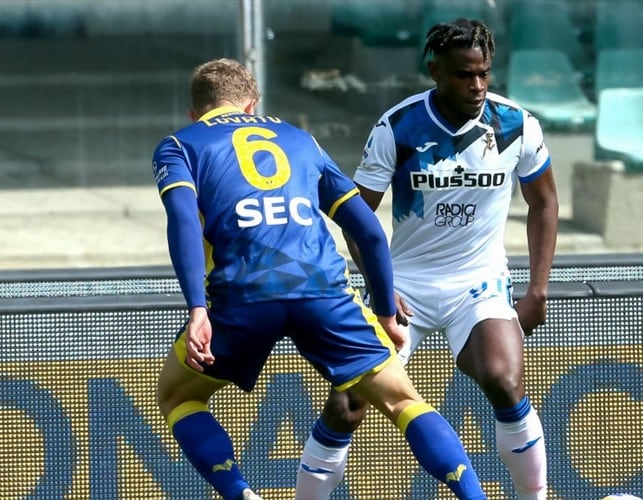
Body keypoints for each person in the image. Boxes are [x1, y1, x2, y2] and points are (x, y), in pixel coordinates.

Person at [152, 58, 487, 500]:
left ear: (195, 113)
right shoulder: (300, 140)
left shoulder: (180, 145)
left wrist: (198, 309)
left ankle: (240, 493)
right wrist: (385, 310)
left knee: (178, 397)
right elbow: (366, 229)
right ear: (252, 105)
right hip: (324, 290)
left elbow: (182, 223)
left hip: (242, 295)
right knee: (404, 401)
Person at [296, 18, 558, 500]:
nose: (477, 86)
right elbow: (357, 218)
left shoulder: (515, 124)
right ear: (435, 70)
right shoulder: (398, 126)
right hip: (405, 285)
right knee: (349, 402)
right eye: (463, 74)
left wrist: (538, 288)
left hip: (478, 283)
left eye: (484, 74)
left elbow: (543, 202)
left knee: (503, 379)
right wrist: (380, 286)